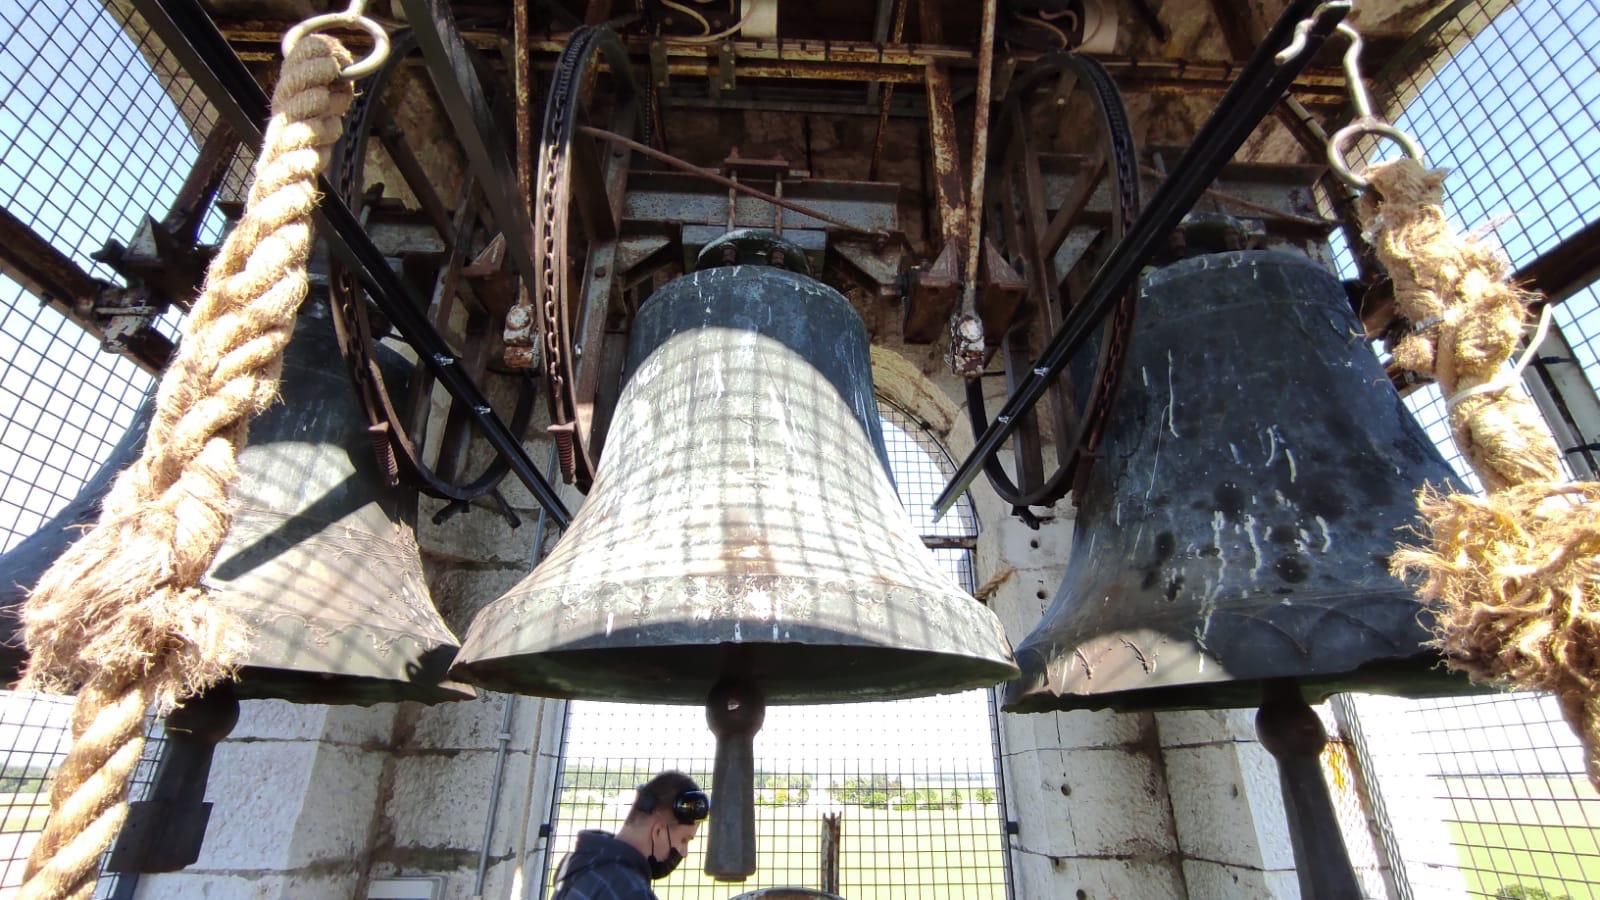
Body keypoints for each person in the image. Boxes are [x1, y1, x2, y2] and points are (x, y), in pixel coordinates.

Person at [553, 770, 710, 900]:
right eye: (684, 840)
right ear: (658, 832)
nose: (684, 852)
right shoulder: (631, 891)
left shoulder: (577, 866)